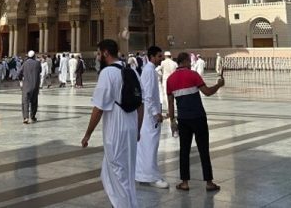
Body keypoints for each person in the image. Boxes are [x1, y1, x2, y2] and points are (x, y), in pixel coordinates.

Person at [82, 39, 143, 208]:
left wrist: (88, 134)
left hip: (116, 129)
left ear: (106, 53)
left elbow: (99, 108)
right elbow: (141, 103)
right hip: (130, 126)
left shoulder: (107, 73)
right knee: (125, 171)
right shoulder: (131, 71)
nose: (97, 56)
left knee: (117, 172)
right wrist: (137, 129)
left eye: (98, 53)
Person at [167, 51, 223, 192]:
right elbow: (208, 92)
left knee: (184, 151)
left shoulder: (170, 80)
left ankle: (184, 182)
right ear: (185, 61)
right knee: (203, 149)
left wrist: (172, 121)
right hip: (198, 118)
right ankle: (209, 182)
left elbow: (170, 103)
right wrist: (219, 85)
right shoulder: (193, 75)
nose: (191, 64)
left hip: (183, 119)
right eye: (189, 62)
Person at [136, 45, 168, 189]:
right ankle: (152, 176)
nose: (161, 59)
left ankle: (143, 175)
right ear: (153, 57)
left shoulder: (150, 70)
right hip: (150, 116)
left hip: (149, 115)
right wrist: (155, 113)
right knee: (150, 145)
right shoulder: (149, 71)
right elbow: (147, 95)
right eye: (159, 56)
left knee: (146, 145)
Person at [19, 50, 42, 124]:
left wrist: (20, 80)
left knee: (25, 102)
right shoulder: (37, 63)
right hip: (35, 85)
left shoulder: (25, 64)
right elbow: (40, 71)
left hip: (26, 86)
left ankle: (26, 117)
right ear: (34, 56)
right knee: (34, 102)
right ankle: (32, 116)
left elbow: (19, 73)